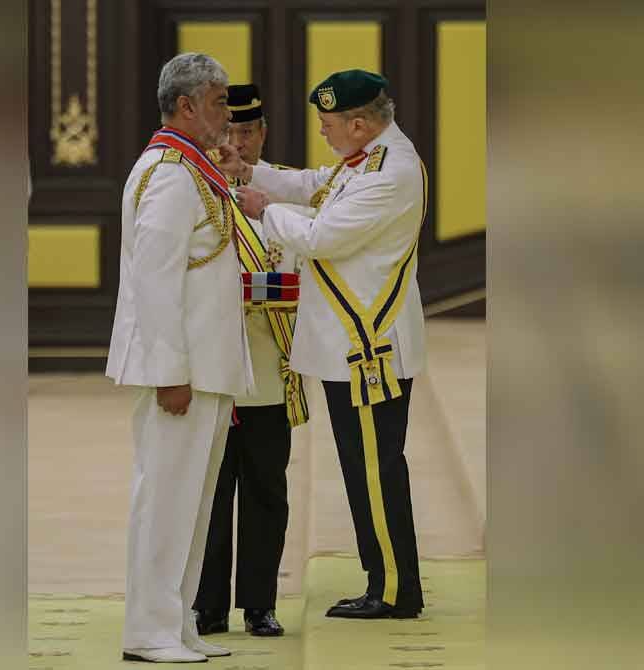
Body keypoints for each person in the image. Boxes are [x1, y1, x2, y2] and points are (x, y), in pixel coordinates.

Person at [220, 69, 428, 619]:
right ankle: (383, 579)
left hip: (368, 348)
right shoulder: (368, 158)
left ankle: (393, 590)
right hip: (353, 348)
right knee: (365, 471)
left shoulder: (392, 171)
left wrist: (264, 208)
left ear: (359, 124)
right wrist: (251, 173)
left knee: (377, 473)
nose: (322, 132)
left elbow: (320, 236)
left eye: (329, 123)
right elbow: (318, 184)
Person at [106, 52, 253, 663]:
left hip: (207, 367)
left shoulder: (196, 170)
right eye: (220, 102)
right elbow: (156, 280)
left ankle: (178, 622)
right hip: (183, 370)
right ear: (186, 105)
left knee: (191, 503)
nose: (228, 113)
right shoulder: (168, 174)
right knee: (166, 499)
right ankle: (148, 629)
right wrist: (170, 373)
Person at [192, 84, 308, 638]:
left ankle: (260, 603)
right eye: (228, 132)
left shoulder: (285, 192)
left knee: (267, 490)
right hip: (214, 368)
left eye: (247, 133)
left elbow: (298, 279)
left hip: (267, 367)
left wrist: (249, 288)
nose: (235, 143)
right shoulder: (198, 190)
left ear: (261, 133)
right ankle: (208, 604)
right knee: (211, 492)